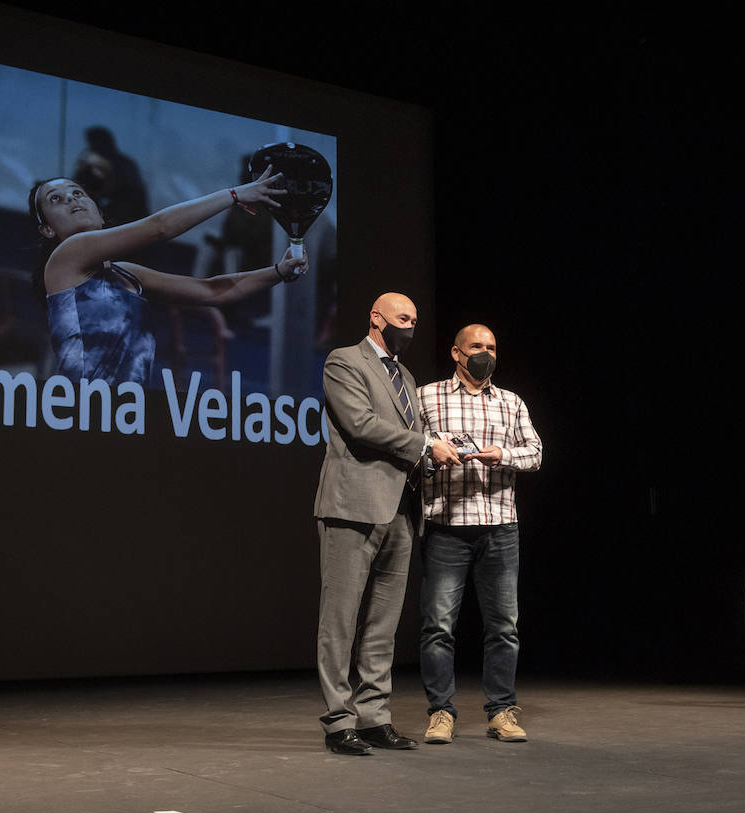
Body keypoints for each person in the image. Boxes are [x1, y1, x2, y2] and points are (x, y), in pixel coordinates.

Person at [313, 292, 462, 755]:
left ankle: (374, 716)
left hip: (400, 508)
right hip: (352, 505)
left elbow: (412, 441)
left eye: (416, 320)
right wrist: (423, 446)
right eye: (403, 318)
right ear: (376, 318)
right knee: (340, 619)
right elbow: (359, 425)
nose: (411, 327)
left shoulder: (407, 376)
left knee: (383, 623)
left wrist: (439, 452)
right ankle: (339, 722)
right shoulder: (344, 362)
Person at [28, 166, 305, 384]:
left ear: (100, 214)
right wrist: (233, 195)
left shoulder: (128, 274)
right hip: (82, 413)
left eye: (77, 193)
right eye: (56, 200)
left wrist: (279, 271)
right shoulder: (66, 255)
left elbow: (212, 291)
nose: (71, 199)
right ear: (48, 230)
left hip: (125, 415)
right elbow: (160, 228)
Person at [415, 324, 543, 743]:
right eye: (476, 347)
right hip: (446, 527)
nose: (484, 353)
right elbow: (409, 451)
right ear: (457, 352)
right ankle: (440, 712)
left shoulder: (511, 402)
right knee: (438, 626)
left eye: (491, 347)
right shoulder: (427, 396)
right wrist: (435, 456)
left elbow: (535, 452)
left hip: (500, 527)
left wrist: (502, 455)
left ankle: (501, 711)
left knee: (504, 626)